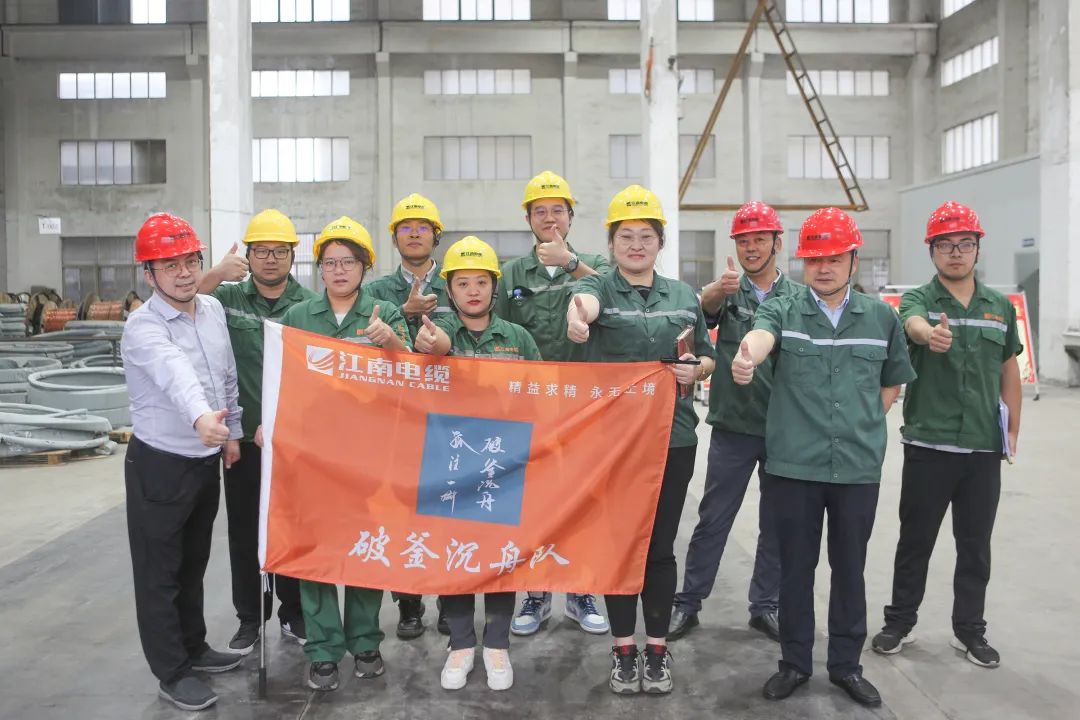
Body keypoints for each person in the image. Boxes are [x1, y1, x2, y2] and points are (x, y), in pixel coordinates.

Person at [732, 207, 916, 708]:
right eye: (814, 260)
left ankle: (846, 667)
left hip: (856, 468)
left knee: (850, 570)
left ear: (854, 260)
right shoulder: (784, 309)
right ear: (802, 263)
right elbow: (761, 335)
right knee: (795, 570)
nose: (824, 268)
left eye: (834, 258)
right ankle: (794, 663)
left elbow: (892, 382)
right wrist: (748, 355)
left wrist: (861, 423)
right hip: (794, 465)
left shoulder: (880, 317)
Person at [567, 184, 715, 695]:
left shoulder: (683, 297)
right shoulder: (598, 288)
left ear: (660, 242)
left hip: (673, 438)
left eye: (646, 236)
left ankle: (656, 648)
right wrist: (578, 318)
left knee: (659, 547)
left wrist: (698, 370)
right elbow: (584, 304)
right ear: (611, 243)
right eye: (626, 236)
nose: (636, 245)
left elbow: (707, 354)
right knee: (619, 545)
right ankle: (623, 649)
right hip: (613, 442)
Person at [872, 201, 1023, 668]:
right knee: (915, 541)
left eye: (965, 244)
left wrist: (1012, 429)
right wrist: (927, 335)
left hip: (982, 447)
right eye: (945, 245)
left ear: (977, 249)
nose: (956, 253)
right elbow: (913, 325)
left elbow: (1009, 368)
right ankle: (899, 622)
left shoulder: (999, 307)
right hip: (929, 445)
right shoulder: (918, 300)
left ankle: (969, 630)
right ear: (932, 251)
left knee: (975, 545)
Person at [276, 216, 411, 691]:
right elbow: (283, 379)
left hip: (368, 454)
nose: (338, 270)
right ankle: (322, 649)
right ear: (320, 269)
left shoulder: (383, 311)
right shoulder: (298, 316)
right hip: (312, 455)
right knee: (315, 552)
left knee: (364, 547)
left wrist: (389, 340)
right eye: (330, 262)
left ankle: (365, 641)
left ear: (364, 266)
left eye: (348, 262)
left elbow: (411, 370)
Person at [121, 213, 244, 711]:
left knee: (193, 562)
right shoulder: (143, 327)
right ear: (149, 274)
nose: (184, 273)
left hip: (204, 459)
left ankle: (194, 647)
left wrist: (231, 434)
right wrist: (200, 418)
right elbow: (177, 375)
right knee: (160, 572)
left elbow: (224, 375)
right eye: (169, 265)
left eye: (190, 261)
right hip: (160, 465)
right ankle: (171, 672)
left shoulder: (211, 309)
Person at [412, 236, 541, 691]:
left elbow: (541, 395)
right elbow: (415, 391)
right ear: (449, 290)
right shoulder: (433, 335)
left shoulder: (518, 338)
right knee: (455, 555)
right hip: (449, 462)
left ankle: (497, 644)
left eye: (481, 282)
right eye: (463, 283)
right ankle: (462, 643)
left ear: (494, 287)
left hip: (503, 463)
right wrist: (431, 351)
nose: (473, 291)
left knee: (501, 555)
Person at [669, 201, 799, 643]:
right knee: (713, 518)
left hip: (784, 430)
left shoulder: (798, 298)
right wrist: (715, 292)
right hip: (733, 426)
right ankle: (688, 603)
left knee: (777, 523)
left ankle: (765, 607)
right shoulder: (726, 293)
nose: (751, 248)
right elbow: (699, 317)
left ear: (777, 243)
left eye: (760, 239)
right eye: (744, 241)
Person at [495, 170, 611, 637]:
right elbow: (498, 332)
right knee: (532, 502)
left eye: (557, 210)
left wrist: (571, 264)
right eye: (539, 211)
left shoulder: (593, 264)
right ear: (527, 219)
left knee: (581, 500)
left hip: (583, 405)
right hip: (528, 407)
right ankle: (536, 591)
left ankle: (581, 590)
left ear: (571, 216)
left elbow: (617, 294)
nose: (549, 218)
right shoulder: (510, 275)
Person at [197, 209, 316, 654]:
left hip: (295, 440)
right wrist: (214, 274)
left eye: (279, 251)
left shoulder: (309, 306)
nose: (270, 259)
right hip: (243, 440)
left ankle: (295, 611)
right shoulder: (226, 299)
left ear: (292, 256)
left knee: (294, 528)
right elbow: (181, 301)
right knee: (246, 531)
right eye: (261, 251)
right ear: (248, 256)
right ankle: (250, 617)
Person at [364, 192, 452, 639]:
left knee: (448, 506)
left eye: (422, 227)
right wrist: (404, 312)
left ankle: (451, 599)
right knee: (402, 512)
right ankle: (409, 602)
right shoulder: (377, 290)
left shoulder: (457, 280)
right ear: (394, 236)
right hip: (395, 414)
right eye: (405, 227)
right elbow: (362, 338)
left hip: (450, 413)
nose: (414, 234)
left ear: (436, 236)